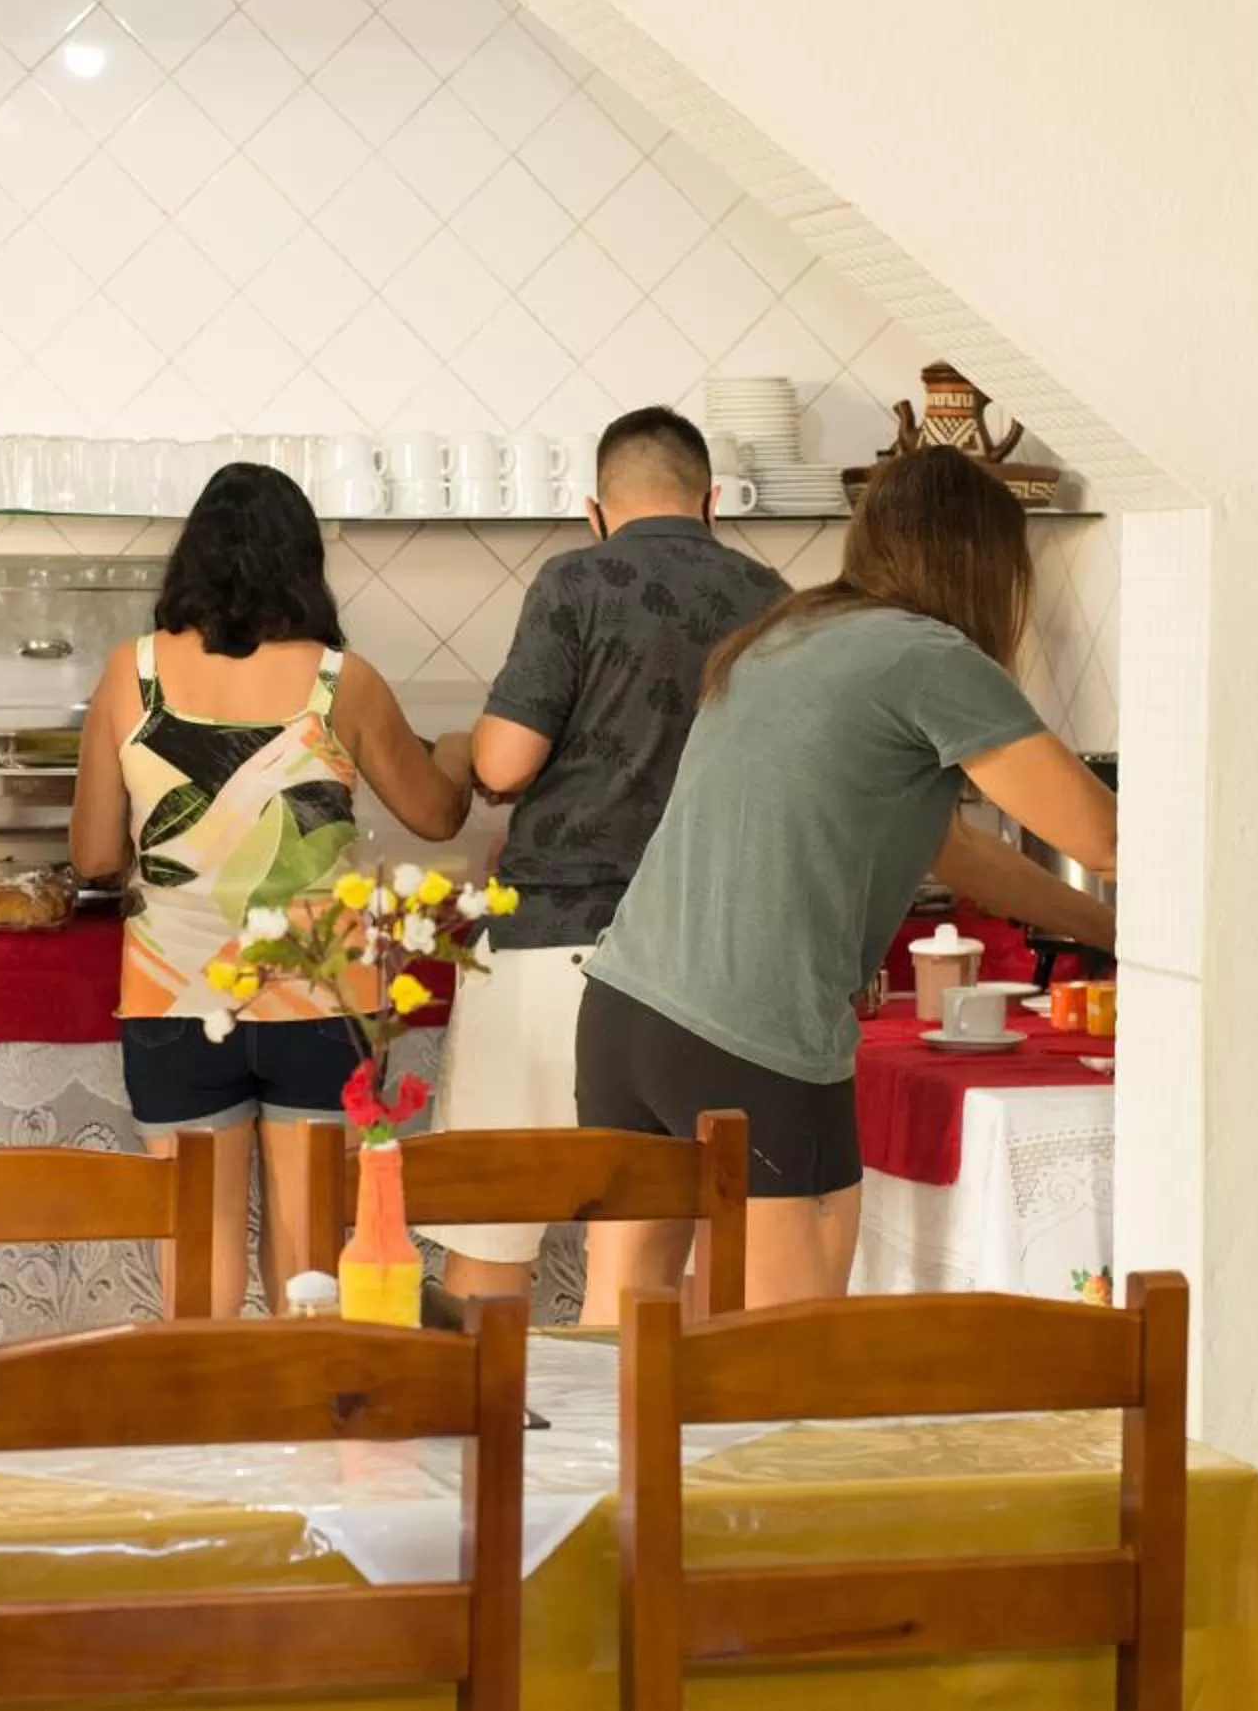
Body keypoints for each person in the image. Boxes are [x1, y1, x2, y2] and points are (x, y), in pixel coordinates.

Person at [576, 445, 1117, 1313]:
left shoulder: (786, 636)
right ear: (989, 563)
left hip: (625, 1011)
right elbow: (1104, 837)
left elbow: (954, 849)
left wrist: (1111, 933)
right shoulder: (931, 655)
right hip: (750, 1032)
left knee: (619, 1330)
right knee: (791, 1346)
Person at [69, 462, 474, 1317]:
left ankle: (208, 1403)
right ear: (303, 565)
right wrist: (458, 751)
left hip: (177, 997)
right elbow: (437, 814)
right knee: (310, 1266)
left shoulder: (130, 673)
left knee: (200, 1271)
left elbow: (96, 855)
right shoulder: (342, 680)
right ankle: (312, 1405)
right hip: (320, 999)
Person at [425, 406, 790, 1304]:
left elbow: (504, 763)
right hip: (704, 962)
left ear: (594, 510)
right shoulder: (773, 597)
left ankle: (479, 1398)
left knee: (493, 1232)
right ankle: (654, 1403)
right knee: (664, 1258)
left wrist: (462, 748)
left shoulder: (574, 580)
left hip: (554, 939)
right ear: (711, 502)